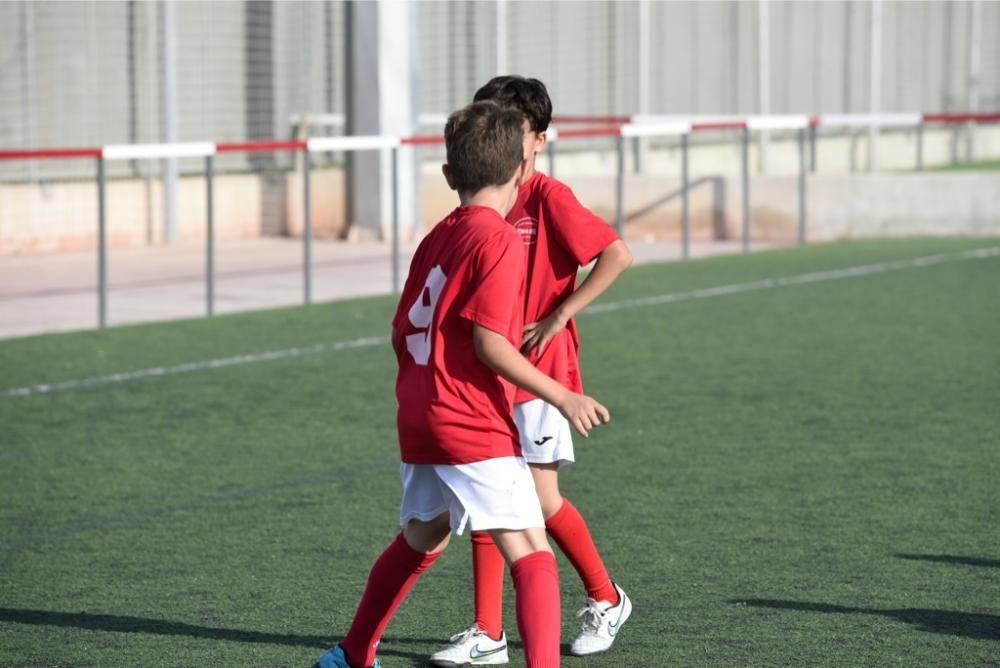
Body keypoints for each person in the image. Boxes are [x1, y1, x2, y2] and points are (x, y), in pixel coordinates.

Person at [313, 100, 610, 668]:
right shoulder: (497, 239)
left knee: (423, 534)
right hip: (466, 417)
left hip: (419, 412)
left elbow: (401, 330)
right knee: (531, 551)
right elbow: (491, 345)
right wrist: (563, 394)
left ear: (449, 177)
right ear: (521, 169)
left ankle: (352, 654)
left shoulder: (436, 237)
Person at [429, 76, 634, 667]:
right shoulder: (484, 194)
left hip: (542, 372)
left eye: (515, 129)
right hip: (490, 377)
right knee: (490, 497)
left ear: (539, 139)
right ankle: (487, 633)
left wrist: (559, 314)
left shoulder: (546, 196)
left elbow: (617, 254)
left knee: (539, 503)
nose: (505, 139)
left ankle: (606, 597)